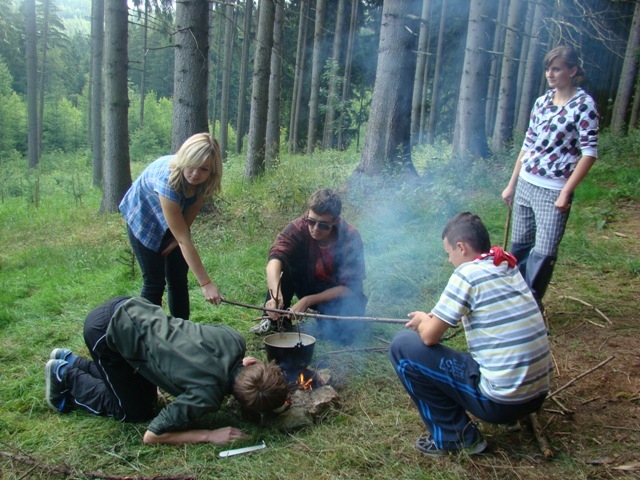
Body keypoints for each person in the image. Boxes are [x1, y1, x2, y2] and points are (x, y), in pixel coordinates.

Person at [389, 212, 552, 456]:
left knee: (402, 346)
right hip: (537, 395)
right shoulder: (506, 265)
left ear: (461, 247)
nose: (449, 260)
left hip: (502, 403)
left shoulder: (467, 274)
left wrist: (423, 320)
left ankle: (456, 438)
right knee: (467, 357)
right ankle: (510, 415)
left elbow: (429, 337)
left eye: (449, 253)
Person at [44, 296, 289, 445]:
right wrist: (209, 435)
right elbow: (152, 435)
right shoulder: (206, 396)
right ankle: (64, 377)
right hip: (105, 333)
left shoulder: (234, 339)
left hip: (132, 306)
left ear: (252, 362)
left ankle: (70, 360)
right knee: (134, 411)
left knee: (142, 393)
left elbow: (199, 336)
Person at [502, 44, 599, 309]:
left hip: (553, 189)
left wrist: (565, 191)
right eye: (547, 69)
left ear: (573, 71)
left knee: (543, 253)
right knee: (520, 247)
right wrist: (512, 184)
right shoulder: (542, 102)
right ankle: (513, 301)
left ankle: (530, 307)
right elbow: (527, 145)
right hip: (526, 183)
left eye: (556, 69)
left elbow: (589, 153)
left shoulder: (584, 105)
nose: (550, 74)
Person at [119, 132, 224, 320]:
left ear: (212, 171)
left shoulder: (204, 182)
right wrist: (205, 283)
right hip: (143, 217)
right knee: (154, 282)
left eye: (203, 169)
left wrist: (176, 240)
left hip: (173, 216)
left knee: (178, 278)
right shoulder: (167, 179)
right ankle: (149, 332)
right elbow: (184, 240)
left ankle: (181, 330)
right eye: (192, 166)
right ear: (184, 160)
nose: (196, 174)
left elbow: (189, 215)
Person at [263, 188, 368, 344]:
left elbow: (350, 288)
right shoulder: (299, 226)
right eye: (311, 222)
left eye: (323, 225)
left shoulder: (349, 237)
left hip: (336, 293)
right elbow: (274, 261)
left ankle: (326, 319)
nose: (315, 229)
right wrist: (275, 295)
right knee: (284, 267)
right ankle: (276, 318)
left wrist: (307, 301)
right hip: (307, 281)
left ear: (335, 221)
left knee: (343, 335)